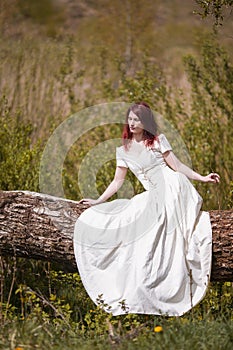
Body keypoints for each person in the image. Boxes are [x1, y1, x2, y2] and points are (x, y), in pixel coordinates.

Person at [74, 102, 220, 316]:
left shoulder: (158, 140)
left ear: (146, 122)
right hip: (151, 193)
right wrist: (97, 201)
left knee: (157, 222)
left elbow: (177, 166)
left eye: (138, 120)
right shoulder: (122, 150)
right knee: (130, 219)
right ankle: (145, 283)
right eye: (130, 119)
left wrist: (202, 178)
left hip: (172, 186)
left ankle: (167, 278)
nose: (133, 123)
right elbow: (117, 182)